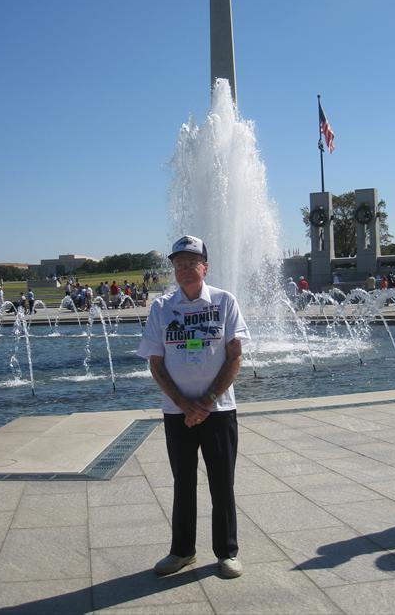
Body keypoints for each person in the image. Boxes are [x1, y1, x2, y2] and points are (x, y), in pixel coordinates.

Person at [137, 235, 249, 579]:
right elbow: (155, 363)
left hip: (219, 411)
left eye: (192, 263)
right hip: (176, 413)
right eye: (179, 264)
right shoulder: (161, 308)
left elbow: (235, 356)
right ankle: (182, 551)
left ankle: (227, 553)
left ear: (205, 266)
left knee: (221, 483)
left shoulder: (224, 301)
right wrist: (184, 404)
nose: (185, 270)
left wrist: (207, 401)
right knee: (182, 483)